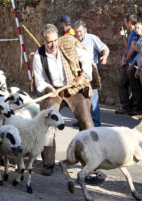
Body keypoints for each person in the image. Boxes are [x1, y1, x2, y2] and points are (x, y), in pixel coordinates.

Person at [33, 24, 100, 176]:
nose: (53, 44)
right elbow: (39, 81)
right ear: (44, 41)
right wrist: (49, 89)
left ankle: (91, 163)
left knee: (87, 122)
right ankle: (48, 164)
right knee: (47, 124)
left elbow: (86, 59)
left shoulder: (68, 45)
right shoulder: (39, 55)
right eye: (49, 42)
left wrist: (83, 76)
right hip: (54, 91)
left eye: (55, 40)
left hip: (72, 89)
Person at [73, 21, 109, 127]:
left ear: (85, 30)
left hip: (91, 73)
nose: (78, 34)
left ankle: (96, 122)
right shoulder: (73, 40)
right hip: (77, 74)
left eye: (80, 31)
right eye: (76, 32)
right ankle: (82, 120)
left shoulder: (92, 38)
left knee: (93, 98)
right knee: (80, 98)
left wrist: (104, 57)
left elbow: (105, 48)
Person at [116, 14, 142, 115]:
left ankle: (137, 107)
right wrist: (124, 57)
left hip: (132, 63)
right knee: (122, 84)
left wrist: (126, 60)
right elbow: (127, 46)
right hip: (128, 62)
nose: (124, 24)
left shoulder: (134, 33)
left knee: (134, 86)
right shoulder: (131, 33)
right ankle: (126, 106)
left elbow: (132, 47)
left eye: (125, 22)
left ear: (129, 22)